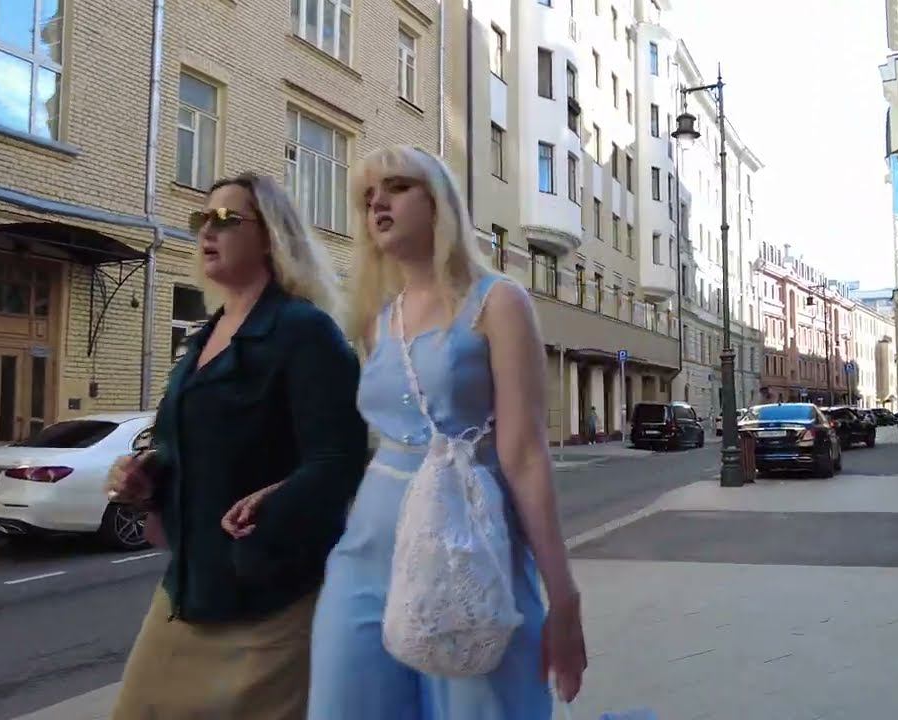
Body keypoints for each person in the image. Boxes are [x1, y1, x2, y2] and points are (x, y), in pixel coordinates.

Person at [308, 146, 587, 718]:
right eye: (367, 197)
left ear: (438, 201)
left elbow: (525, 455)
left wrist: (564, 597)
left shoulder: (498, 301)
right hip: (368, 551)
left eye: (396, 187)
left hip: (468, 550)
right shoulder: (376, 318)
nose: (377, 203)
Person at [106, 173, 368, 719]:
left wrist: (277, 500)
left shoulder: (304, 331)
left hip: (274, 603)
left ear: (271, 237)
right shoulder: (203, 337)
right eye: (201, 218)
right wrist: (144, 480)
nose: (207, 230)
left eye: (226, 219)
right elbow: (185, 448)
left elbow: (340, 461)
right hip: (188, 593)